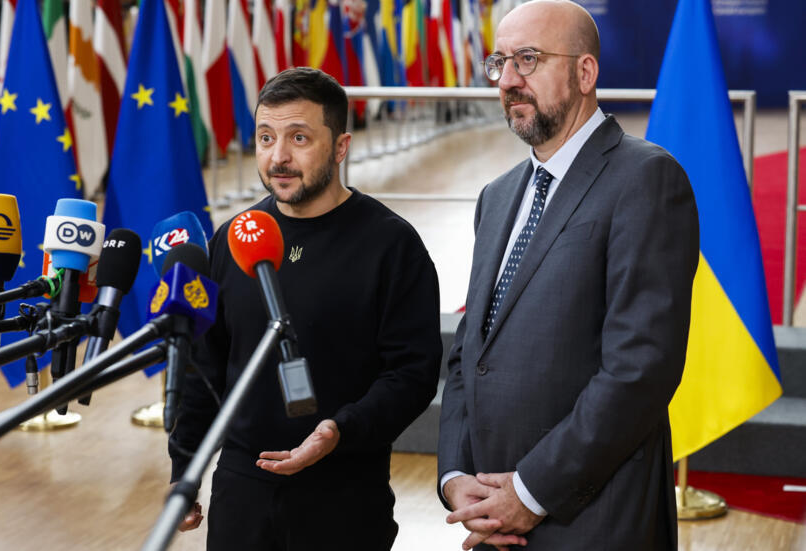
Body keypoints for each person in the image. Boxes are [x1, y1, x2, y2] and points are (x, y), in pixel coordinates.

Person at [437, 1, 699, 549]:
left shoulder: (647, 179)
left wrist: (530, 493)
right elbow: (470, 350)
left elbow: (639, 371)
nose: (508, 80)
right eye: (500, 62)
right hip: (488, 518)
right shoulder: (499, 194)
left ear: (585, 72)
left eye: (528, 60)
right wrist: (455, 476)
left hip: (593, 520)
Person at [169, 67, 443, 550]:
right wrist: (184, 469)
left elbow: (412, 373)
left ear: (340, 147)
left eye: (299, 138)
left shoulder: (391, 245)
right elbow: (203, 366)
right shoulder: (233, 239)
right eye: (266, 137)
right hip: (242, 492)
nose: (279, 157)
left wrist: (339, 431)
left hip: (343, 493)